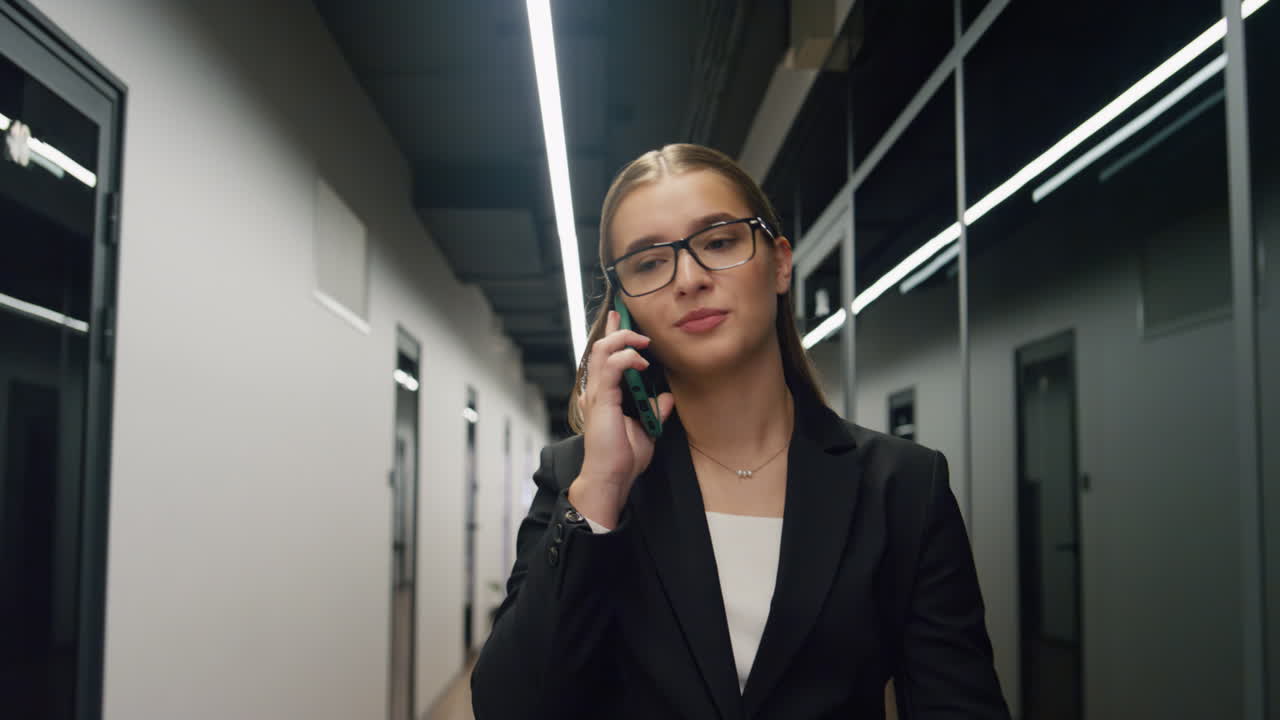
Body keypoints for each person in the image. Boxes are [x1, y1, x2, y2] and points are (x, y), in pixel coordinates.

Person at [471, 144, 1009, 719]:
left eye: (719, 242)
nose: (689, 278)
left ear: (779, 263)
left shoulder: (902, 486)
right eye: (649, 262)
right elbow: (510, 707)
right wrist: (601, 490)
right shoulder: (580, 477)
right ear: (621, 309)